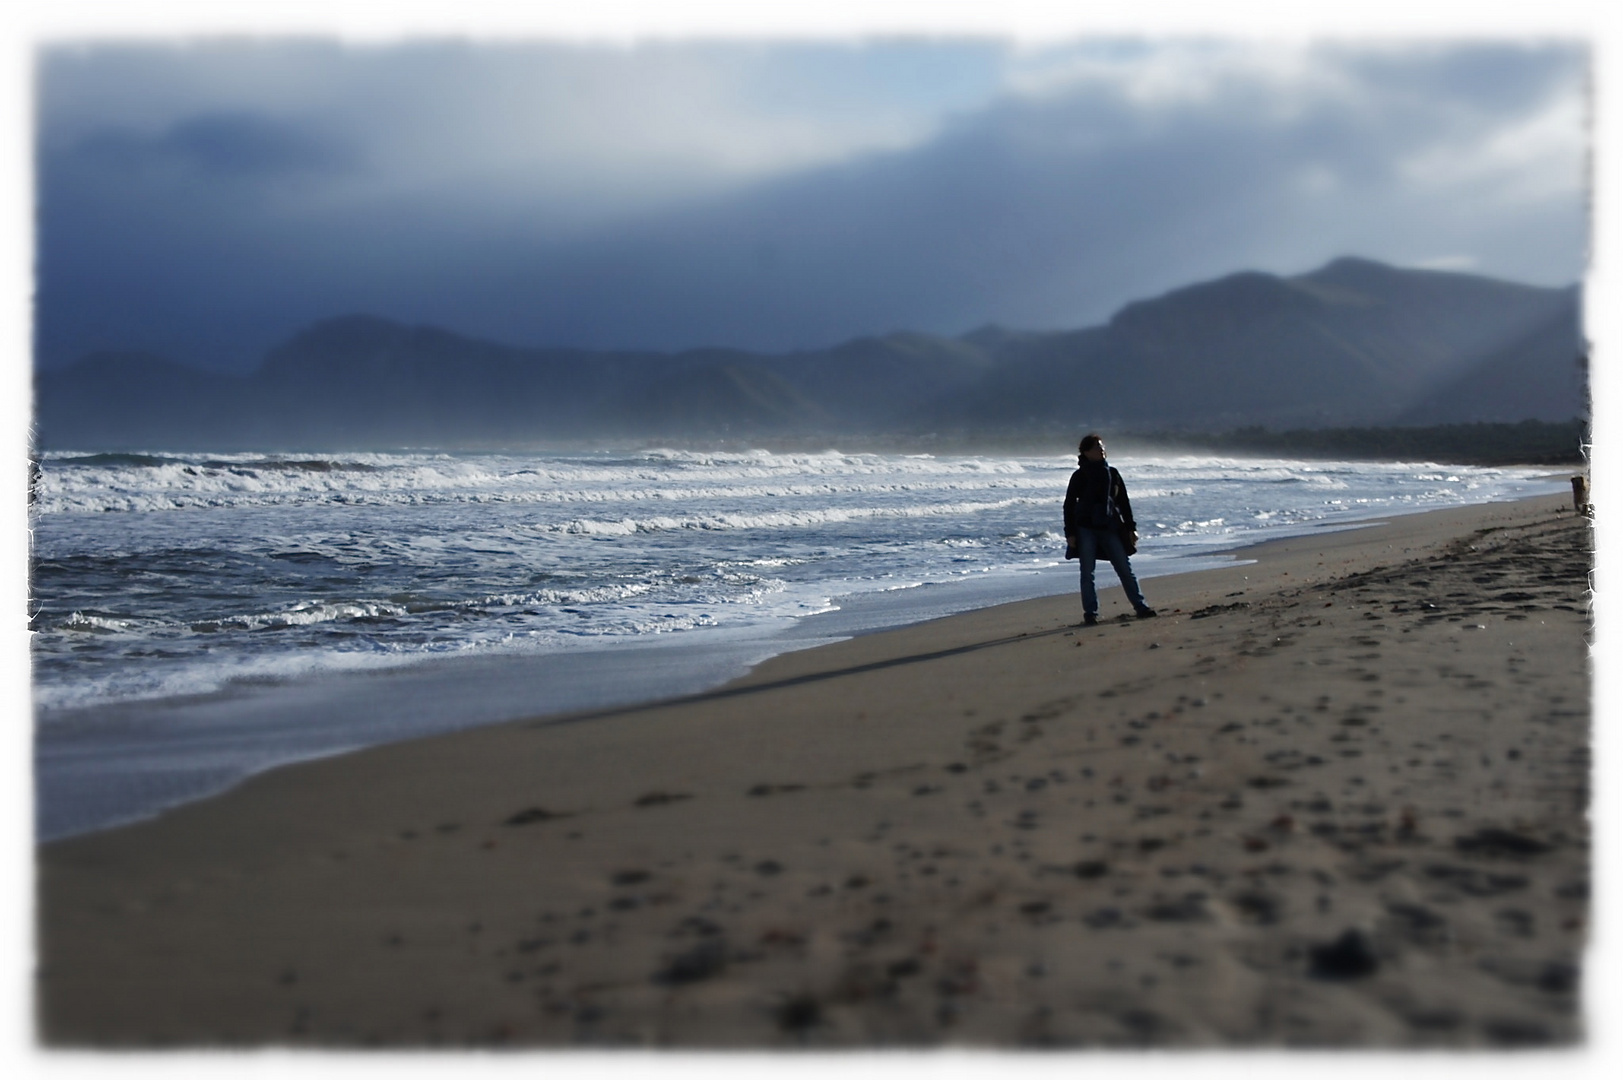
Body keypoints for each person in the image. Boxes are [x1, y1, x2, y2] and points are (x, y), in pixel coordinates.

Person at [1063, 433, 1156, 626]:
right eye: (1097, 447)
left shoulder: (1112, 473)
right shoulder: (1079, 476)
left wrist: (1131, 528)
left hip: (1109, 526)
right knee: (1087, 572)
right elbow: (1069, 505)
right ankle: (1090, 613)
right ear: (1086, 452)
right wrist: (1070, 533)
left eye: (1102, 446)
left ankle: (1141, 606)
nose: (1102, 450)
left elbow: (1123, 502)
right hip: (1086, 527)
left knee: (1124, 567)